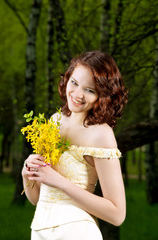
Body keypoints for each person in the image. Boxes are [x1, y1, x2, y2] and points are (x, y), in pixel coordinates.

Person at [22, 51, 128, 240]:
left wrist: (59, 181)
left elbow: (117, 214)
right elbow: (38, 199)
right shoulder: (54, 121)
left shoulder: (101, 134)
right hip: (39, 231)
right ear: (67, 78)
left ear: (102, 96)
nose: (78, 94)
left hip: (77, 233)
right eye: (75, 82)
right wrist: (27, 173)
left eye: (90, 90)